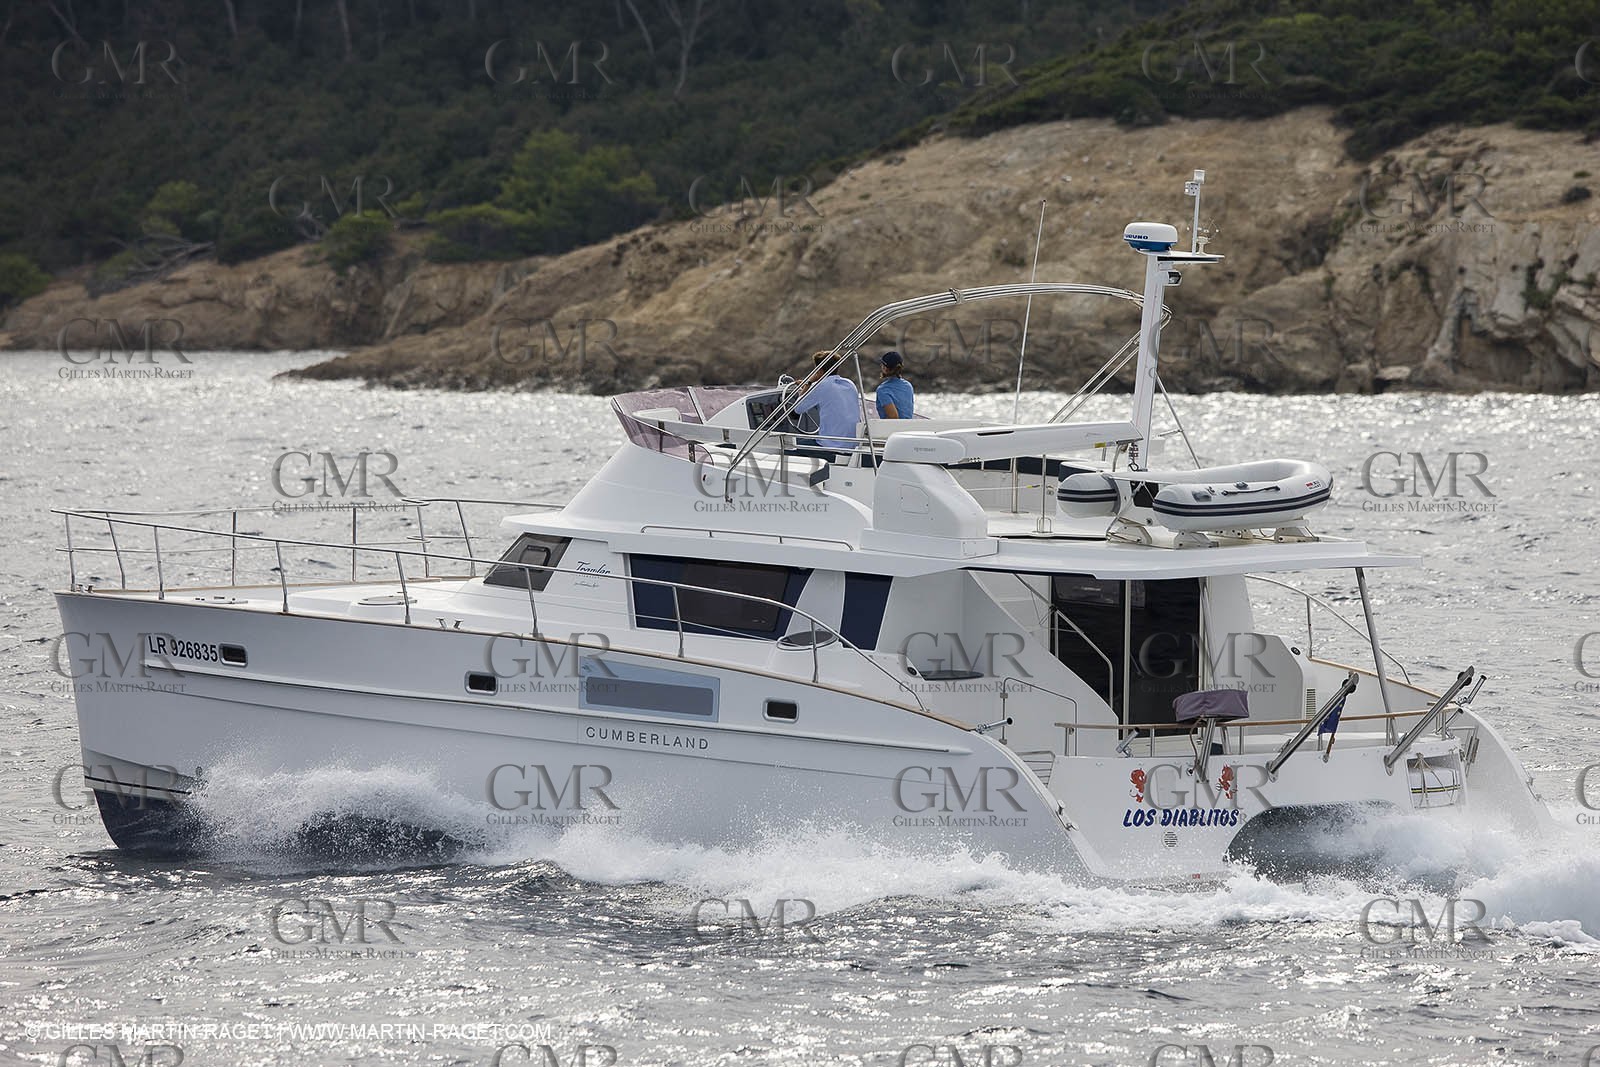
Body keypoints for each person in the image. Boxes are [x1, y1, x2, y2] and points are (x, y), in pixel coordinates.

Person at [793, 350, 862, 453]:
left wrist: (808, 383)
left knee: (789, 448)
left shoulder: (821, 386)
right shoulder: (849, 384)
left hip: (831, 446)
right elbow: (829, 396)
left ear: (819, 371)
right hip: (852, 445)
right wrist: (809, 386)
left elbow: (797, 409)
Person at [875, 350, 915, 419]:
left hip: (893, 429)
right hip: (909, 428)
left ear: (885, 368)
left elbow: (893, 417)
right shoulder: (908, 386)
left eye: (882, 364)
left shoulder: (883, 390)